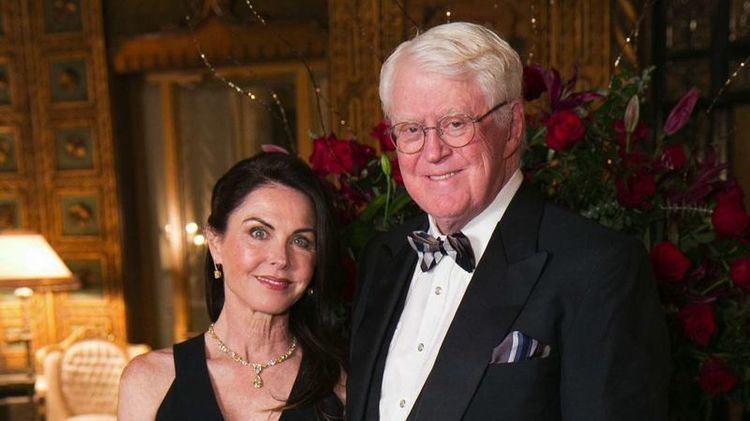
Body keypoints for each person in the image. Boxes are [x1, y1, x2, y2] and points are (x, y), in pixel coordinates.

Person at [347, 22, 670, 421]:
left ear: (513, 127)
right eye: (412, 130)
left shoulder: (598, 268)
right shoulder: (384, 257)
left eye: (456, 124)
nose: (433, 152)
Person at [119, 152, 346, 420]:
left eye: (301, 241)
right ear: (215, 243)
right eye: (259, 233)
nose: (281, 259)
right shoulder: (150, 380)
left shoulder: (340, 384)